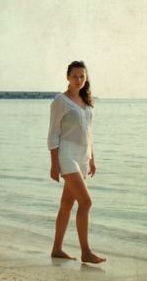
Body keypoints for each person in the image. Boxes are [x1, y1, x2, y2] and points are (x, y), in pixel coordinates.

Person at [47, 60, 106, 264]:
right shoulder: (60, 101)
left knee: (67, 203)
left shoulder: (86, 100)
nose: (79, 80)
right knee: (86, 202)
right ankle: (86, 252)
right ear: (67, 77)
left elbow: (89, 133)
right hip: (67, 155)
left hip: (82, 157)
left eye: (82, 76)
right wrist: (54, 165)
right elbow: (53, 134)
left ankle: (56, 249)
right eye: (75, 76)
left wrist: (91, 159)